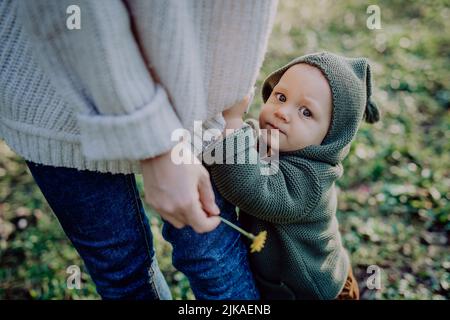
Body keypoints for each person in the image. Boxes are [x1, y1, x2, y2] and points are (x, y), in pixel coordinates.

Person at [0, 0, 278, 299]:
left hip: (197, 98)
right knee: (123, 270)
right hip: (57, 105)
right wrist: (156, 144)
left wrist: (229, 92)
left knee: (213, 258)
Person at [201, 51, 380, 299]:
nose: (283, 112)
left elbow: (251, 190)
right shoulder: (279, 140)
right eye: (281, 96)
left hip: (317, 293)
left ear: (330, 139)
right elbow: (249, 138)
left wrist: (231, 123)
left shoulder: (311, 180)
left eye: (306, 112)